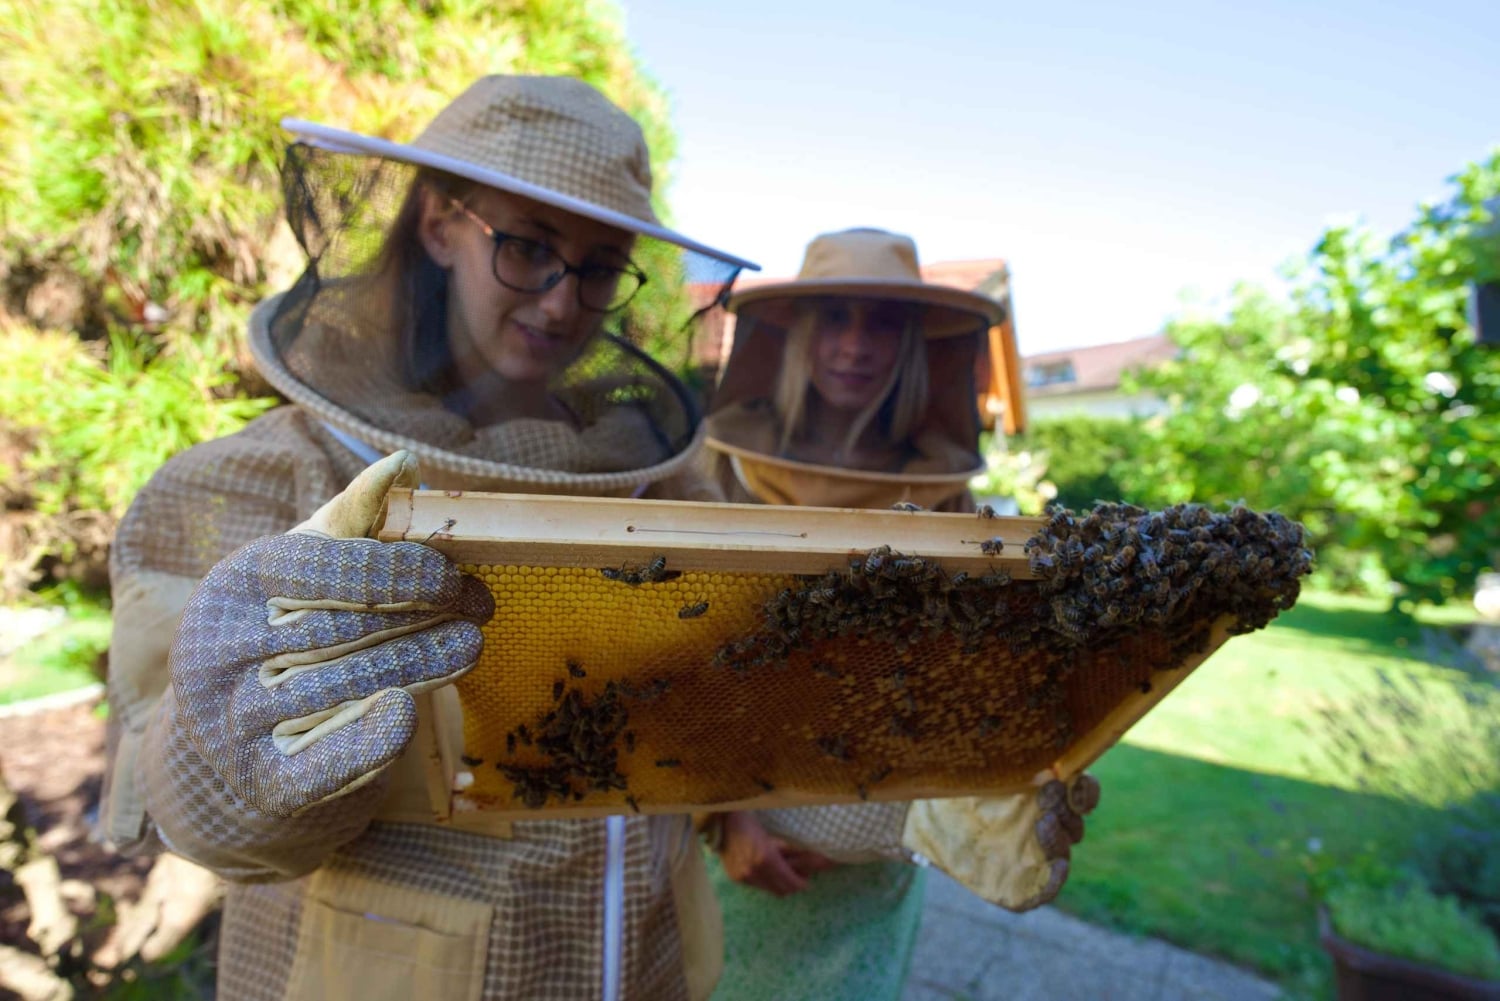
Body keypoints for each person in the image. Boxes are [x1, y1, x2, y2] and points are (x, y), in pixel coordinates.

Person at [97, 74, 757, 1001]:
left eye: (601, 265)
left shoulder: (674, 488)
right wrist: (219, 738)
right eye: (528, 246)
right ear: (441, 227)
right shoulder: (253, 479)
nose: (564, 303)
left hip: (641, 965)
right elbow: (210, 826)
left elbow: (741, 727)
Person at [699, 228, 1101, 1001]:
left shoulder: (948, 497)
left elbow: (960, 681)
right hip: (738, 856)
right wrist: (724, 822)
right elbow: (672, 661)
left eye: (882, 322)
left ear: (915, 345)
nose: (856, 344)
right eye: (837, 318)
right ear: (798, 336)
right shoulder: (716, 468)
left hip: (878, 868)